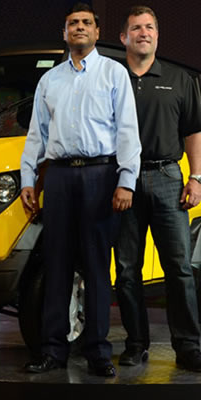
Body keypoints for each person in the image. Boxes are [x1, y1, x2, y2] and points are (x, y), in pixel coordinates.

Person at [21, 3, 141, 377]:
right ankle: (53, 351)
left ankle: (98, 353)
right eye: (73, 23)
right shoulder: (50, 81)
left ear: (97, 31)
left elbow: (127, 131)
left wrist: (126, 180)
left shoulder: (113, 73)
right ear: (65, 32)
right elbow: (35, 135)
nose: (79, 28)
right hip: (57, 178)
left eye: (86, 23)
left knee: (95, 267)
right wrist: (28, 179)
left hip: (99, 176)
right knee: (55, 265)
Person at [115, 6, 201, 372]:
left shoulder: (180, 79)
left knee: (179, 268)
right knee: (127, 269)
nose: (144, 33)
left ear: (157, 35)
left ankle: (189, 346)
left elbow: (194, 130)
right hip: (124, 182)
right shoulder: (112, 79)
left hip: (168, 179)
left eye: (150, 27)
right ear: (124, 37)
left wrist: (196, 177)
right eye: (136, 28)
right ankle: (136, 344)